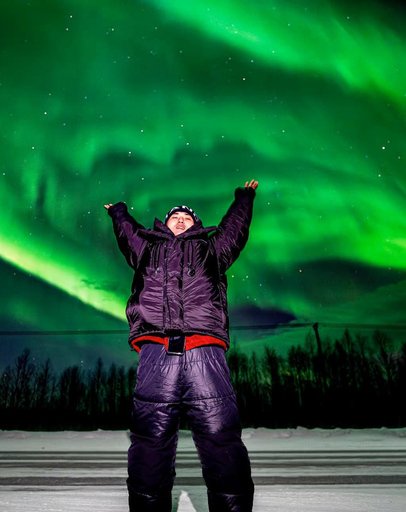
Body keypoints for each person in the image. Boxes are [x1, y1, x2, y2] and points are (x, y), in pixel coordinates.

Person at [104, 180, 258, 512]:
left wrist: (244, 199)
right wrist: (118, 213)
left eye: (187, 218)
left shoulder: (211, 248)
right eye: (175, 216)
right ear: (164, 222)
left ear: (196, 224)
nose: (180, 220)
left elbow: (234, 231)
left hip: (204, 348)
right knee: (150, 438)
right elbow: (128, 235)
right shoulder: (148, 247)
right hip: (157, 350)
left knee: (220, 434)